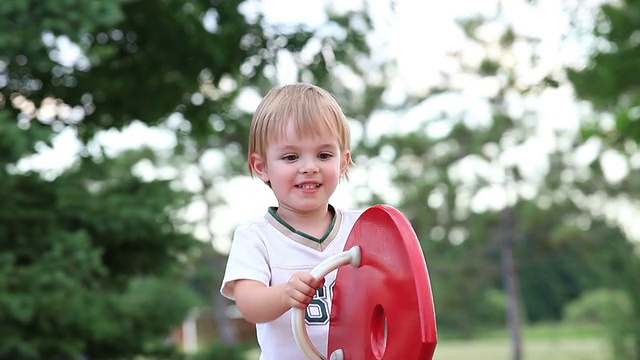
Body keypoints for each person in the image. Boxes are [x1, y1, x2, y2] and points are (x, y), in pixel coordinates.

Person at [220, 83, 363, 359]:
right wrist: (285, 294)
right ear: (262, 167)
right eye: (291, 156)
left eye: (324, 155)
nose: (309, 166)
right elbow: (249, 303)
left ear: (343, 162)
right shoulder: (255, 236)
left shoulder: (363, 229)